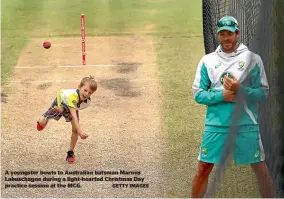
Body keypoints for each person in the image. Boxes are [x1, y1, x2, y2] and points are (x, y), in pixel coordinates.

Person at [191, 16, 275, 197]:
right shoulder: (207, 61)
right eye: (222, 34)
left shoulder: (253, 59)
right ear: (218, 35)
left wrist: (241, 89)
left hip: (245, 124)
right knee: (203, 168)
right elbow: (198, 93)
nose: (226, 38)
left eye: (229, 34)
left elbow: (263, 92)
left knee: (260, 169)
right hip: (216, 126)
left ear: (237, 33)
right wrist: (222, 95)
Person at [36, 75, 97, 163]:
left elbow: (73, 111)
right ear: (79, 87)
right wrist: (80, 132)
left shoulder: (87, 102)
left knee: (75, 130)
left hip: (70, 107)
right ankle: (45, 119)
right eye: (85, 90)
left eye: (90, 93)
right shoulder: (72, 96)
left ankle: (70, 153)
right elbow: (73, 115)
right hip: (60, 102)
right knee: (42, 123)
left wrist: (77, 130)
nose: (87, 94)